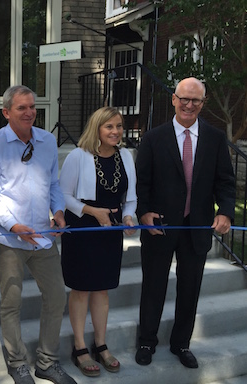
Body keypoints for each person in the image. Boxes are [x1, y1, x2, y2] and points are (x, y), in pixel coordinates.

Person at [135, 77, 235, 368]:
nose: (189, 105)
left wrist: (226, 212)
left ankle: (181, 343)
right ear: (174, 100)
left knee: (190, 289)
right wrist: (143, 213)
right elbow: (142, 183)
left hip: (197, 226)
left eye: (196, 100)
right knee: (153, 286)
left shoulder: (215, 138)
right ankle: (146, 342)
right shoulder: (154, 138)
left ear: (203, 104)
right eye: (184, 99)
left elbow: (226, 182)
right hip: (160, 226)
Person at [0, 85, 76, 384]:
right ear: (7, 112)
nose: (29, 112)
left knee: (57, 297)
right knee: (12, 303)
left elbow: (53, 185)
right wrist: (12, 226)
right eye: (22, 108)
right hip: (11, 240)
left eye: (32, 106)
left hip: (44, 238)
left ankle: (47, 361)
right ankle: (18, 362)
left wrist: (59, 211)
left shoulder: (47, 141)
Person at [59, 107, 136, 377]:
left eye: (119, 126)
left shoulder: (125, 156)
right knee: (81, 289)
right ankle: (80, 346)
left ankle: (100, 344)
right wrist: (93, 212)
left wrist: (127, 217)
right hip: (82, 228)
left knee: (102, 289)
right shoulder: (78, 157)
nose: (116, 132)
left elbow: (132, 196)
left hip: (110, 231)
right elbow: (63, 196)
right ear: (97, 129)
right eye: (109, 127)